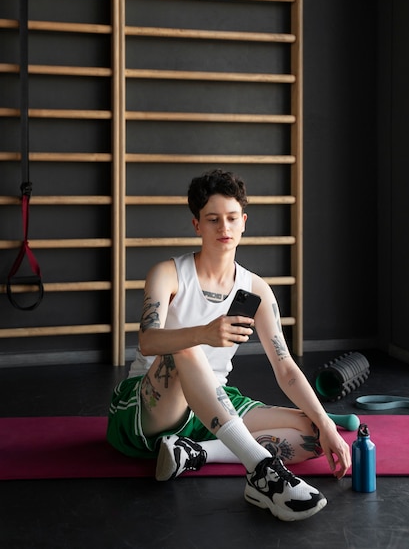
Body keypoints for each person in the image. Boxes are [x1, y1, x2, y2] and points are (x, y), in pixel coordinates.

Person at [107, 169, 351, 522]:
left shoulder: (256, 290)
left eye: (232, 218)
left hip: (213, 404)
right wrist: (203, 333)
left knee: (312, 433)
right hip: (154, 403)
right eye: (213, 219)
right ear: (197, 225)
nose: (224, 228)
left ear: (243, 222)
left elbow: (285, 369)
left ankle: (195, 453)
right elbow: (148, 340)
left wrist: (327, 423)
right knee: (187, 349)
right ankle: (262, 472)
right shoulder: (168, 273)